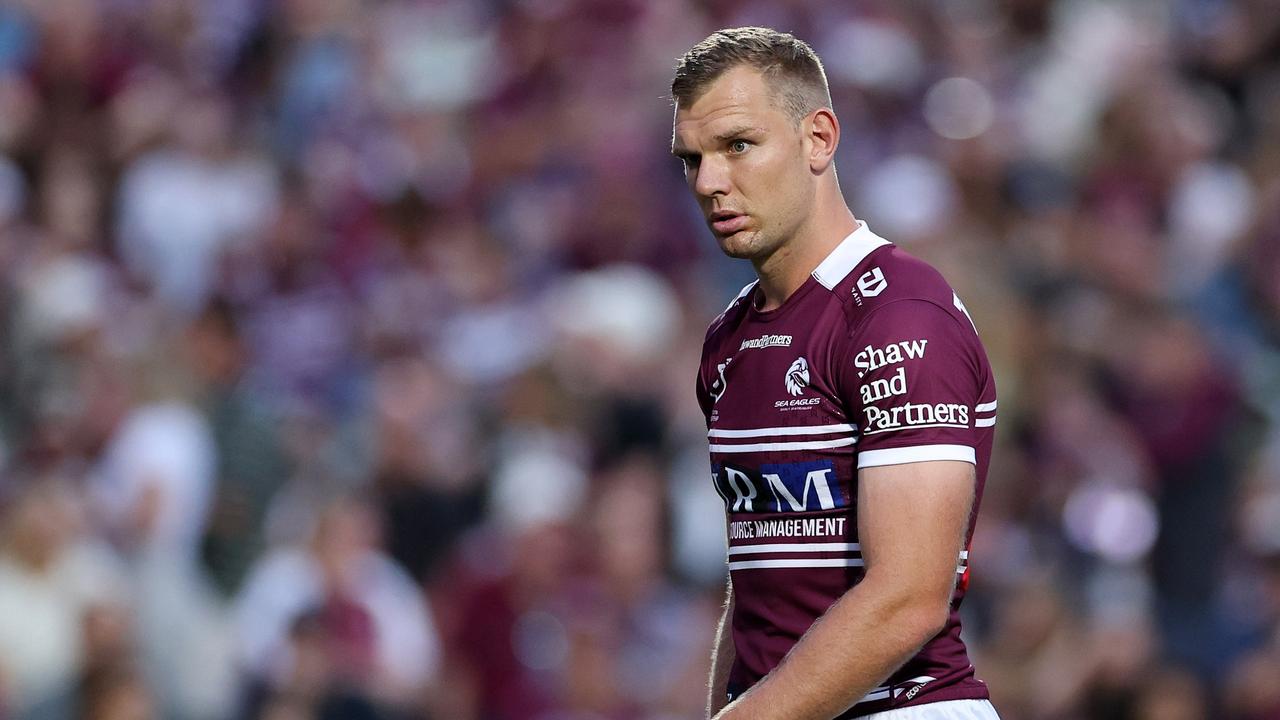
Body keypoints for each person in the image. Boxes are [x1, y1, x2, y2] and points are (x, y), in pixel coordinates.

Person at [672, 27, 1000, 720]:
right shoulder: (729, 339)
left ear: (819, 138)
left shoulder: (900, 317)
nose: (709, 182)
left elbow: (908, 599)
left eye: (737, 145)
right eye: (691, 159)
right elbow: (759, 586)